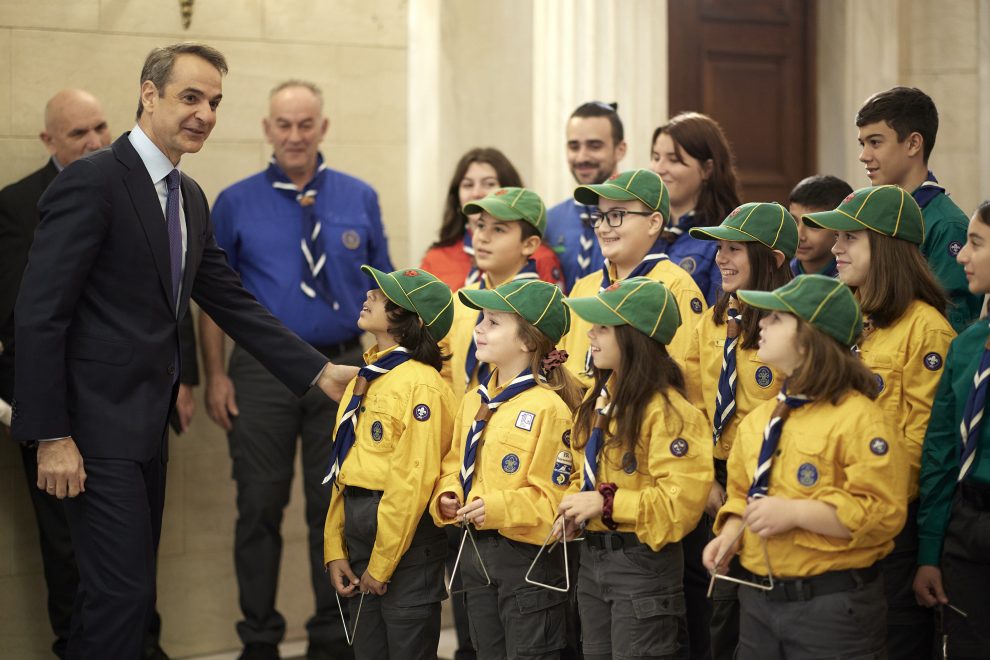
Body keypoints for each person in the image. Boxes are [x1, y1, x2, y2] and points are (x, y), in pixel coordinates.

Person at [12, 43, 349, 660]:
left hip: (147, 434)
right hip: (90, 434)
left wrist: (319, 372)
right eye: (190, 97)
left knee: (117, 601)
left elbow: (233, 301)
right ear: (148, 94)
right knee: (121, 598)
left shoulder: (188, 196)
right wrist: (51, 435)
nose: (204, 113)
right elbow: (39, 314)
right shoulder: (93, 181)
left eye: (214, 102)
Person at [198, 79, 390, 660]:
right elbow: (212, 296)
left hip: (343, 366)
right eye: (283, 124)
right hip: (260, 373)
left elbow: (385, 292)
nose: (295, 135)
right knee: (258, 505)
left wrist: (382, 369)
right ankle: (259, 638)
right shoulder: (234, 201)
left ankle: (331, 637)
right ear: (267, 130)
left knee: (332, 506)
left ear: (322, 128)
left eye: (306, 124)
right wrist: (217, 375)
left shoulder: (359, 196)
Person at [0, 88, 186, 660]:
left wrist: (185, 378)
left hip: (136, 411)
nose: (93, 141)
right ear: (48, 140)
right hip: (60, 414)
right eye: (77, 133)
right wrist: (46, 430)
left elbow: (171, 293)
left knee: (126, 576)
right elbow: (28, 314)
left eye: (99, 127)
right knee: (74, 560)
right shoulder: (17, 205)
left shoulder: (156, 191)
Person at [703, 274, 908, 660]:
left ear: (810, 338)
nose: (760, 322)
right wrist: (730, 535)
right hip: (760, 600)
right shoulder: (759, 420)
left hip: (831, 607)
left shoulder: (860, 419)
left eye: (777, 318)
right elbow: (743, 497)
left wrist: (797, 512)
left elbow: (882, 512)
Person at [803, 184, 955, 659]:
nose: (835, 247)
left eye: (851, 239)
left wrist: (859, 503)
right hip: (833, 518)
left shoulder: (925, 328)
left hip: (888, 526)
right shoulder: (847, 318)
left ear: (886, 247)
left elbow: (924, 444)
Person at [560, 277, 712, 660]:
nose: (590, 335)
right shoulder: (600, 401)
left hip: (641, 565)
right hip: (593, 560)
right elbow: (587, 473)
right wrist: (575, 508)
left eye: (603, 327)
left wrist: (607, 504)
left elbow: (679, 507)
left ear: (634, 335)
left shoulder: (671, 411)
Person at [431, 279, 582, 660]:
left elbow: (554, 500)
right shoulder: (474, 401)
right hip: (477, 554)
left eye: (493, 322)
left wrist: (495, 507)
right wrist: (448, 494)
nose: (478, 328)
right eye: (481, 318)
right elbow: (455, 462)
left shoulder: (549, 409)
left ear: (528, 341)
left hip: (527, 560)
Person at [682, 202, 797, 660]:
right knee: (710, 607)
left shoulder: (789, 327)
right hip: (710, 478)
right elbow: (689, 404)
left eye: (735, 249)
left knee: (747, 608)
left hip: (764, 482)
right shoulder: (712, 320)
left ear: (773, 260)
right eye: (719, 248)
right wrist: (704, 477)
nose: (721, 259)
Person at [325, 266, 456, 660]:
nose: (368, 294)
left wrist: (381, 565)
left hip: (407, 546)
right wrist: (335, 547)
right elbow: (341, 469)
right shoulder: (363, 378)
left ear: (410, 320)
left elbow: (411, 483)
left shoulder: (423, 386)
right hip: (361, 535)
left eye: (382, 295)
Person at [915, 200, 990, 659]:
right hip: (966, 527)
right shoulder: (967, 347)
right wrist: (929, 551)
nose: (961, 255)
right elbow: (941, 452)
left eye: (977, 244)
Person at [560, 169, 706, 385]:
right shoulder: (584, 287)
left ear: (654, 223)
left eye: (616, 215)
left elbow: (685, 377)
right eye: (599, 216)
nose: (602, 227)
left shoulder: (676, 287)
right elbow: (563, 363)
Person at [855, 86, 981, 331]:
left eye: (875, 142)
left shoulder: (945, 224)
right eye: (862, 143)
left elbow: (948, 324)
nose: (863, 155)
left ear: (913, 144)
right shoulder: (872, 217)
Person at [442, 187, 551, 408]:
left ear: (529, 244)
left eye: (499, 229)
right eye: (481, 225)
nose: (483, 237)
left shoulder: (545, 310)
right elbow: (442, 370)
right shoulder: (460, 299)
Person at [420, 147, 563, 292]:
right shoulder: (436, 258)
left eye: (489, 184)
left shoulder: (540, 258)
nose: (477, 193)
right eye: (468, 185)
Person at [650, 112, 742, 304]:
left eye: (673, 160)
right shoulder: (646, 229)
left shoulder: (726, 238)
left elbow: (718, 320)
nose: (659, 168)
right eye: (656, 157)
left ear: (707, 169)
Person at [545, 102, 627, 291]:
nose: (582, 157)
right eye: (574, 146)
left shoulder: (639, 218)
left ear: (620, 149)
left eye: (595, 146)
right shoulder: (550, 221)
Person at [786, 174, 852, 277]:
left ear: (841, 227)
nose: (799, 236)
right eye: (794, 221)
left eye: (813, 224)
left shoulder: (853, 281)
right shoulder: (778, 277)